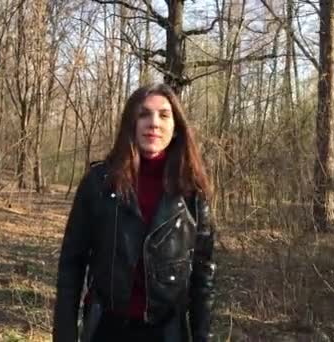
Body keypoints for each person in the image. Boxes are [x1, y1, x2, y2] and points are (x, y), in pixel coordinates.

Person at [53, 83, 217, 342]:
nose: (153, 123)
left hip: (167, 332)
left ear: (176, 128)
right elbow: (71, 266)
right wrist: (65, 335)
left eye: (164, 115)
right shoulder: (99, 183)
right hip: (106, 328)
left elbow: (203, 278)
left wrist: (202, 336)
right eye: (143, 114)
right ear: (131, 123)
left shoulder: (192, 191)